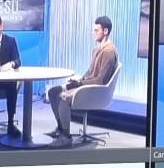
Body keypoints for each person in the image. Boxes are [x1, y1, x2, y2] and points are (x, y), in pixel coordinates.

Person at [48, 14, 118, 143]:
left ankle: (66, 136)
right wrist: (78, 81)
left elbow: (100, 80)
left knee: (63, 97)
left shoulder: (108, 51)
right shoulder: (97, 49)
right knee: (53, 92)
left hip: (95, 91)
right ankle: (60, 128)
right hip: (87, 85)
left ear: (105, 31)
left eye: (96, 30)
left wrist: (79, 84)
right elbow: (90, 72)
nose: (93, 33)